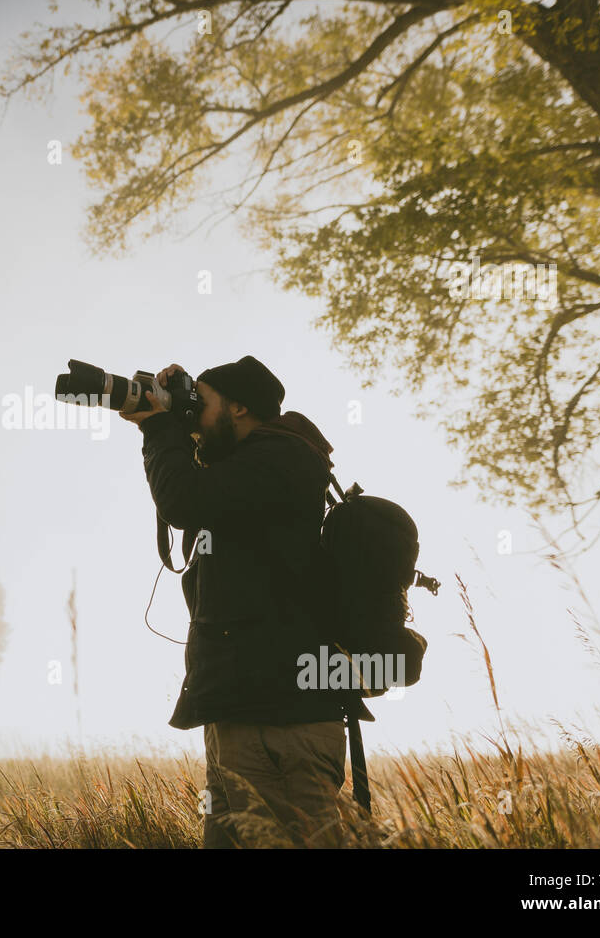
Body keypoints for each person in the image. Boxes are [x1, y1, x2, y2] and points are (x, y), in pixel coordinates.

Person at [121, 355, 346, 848]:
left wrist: (160, 431)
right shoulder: (252, 466)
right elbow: (201, 498)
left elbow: (182, 501)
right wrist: (178, 416)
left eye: (202, 403)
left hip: (278, 719)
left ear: (240, 408)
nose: (193, 412)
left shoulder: (279, 460)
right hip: (245, 714)